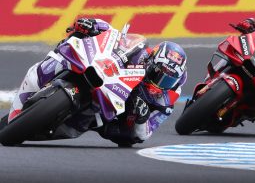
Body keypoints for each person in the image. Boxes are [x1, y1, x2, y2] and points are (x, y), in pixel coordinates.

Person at [8, 18, 187, 146]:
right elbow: (114, 36)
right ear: (151, 61)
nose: (159, 82)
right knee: (72, 42)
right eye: (158, 74)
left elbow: (144, 135)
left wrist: (141, 118)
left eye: (167, 80)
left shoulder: (168, 98)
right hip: (106, 80)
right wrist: (93, 25)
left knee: (90, 124)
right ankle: (43, 74)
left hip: (115, 120)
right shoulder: (141, 52)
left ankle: (54, 124)